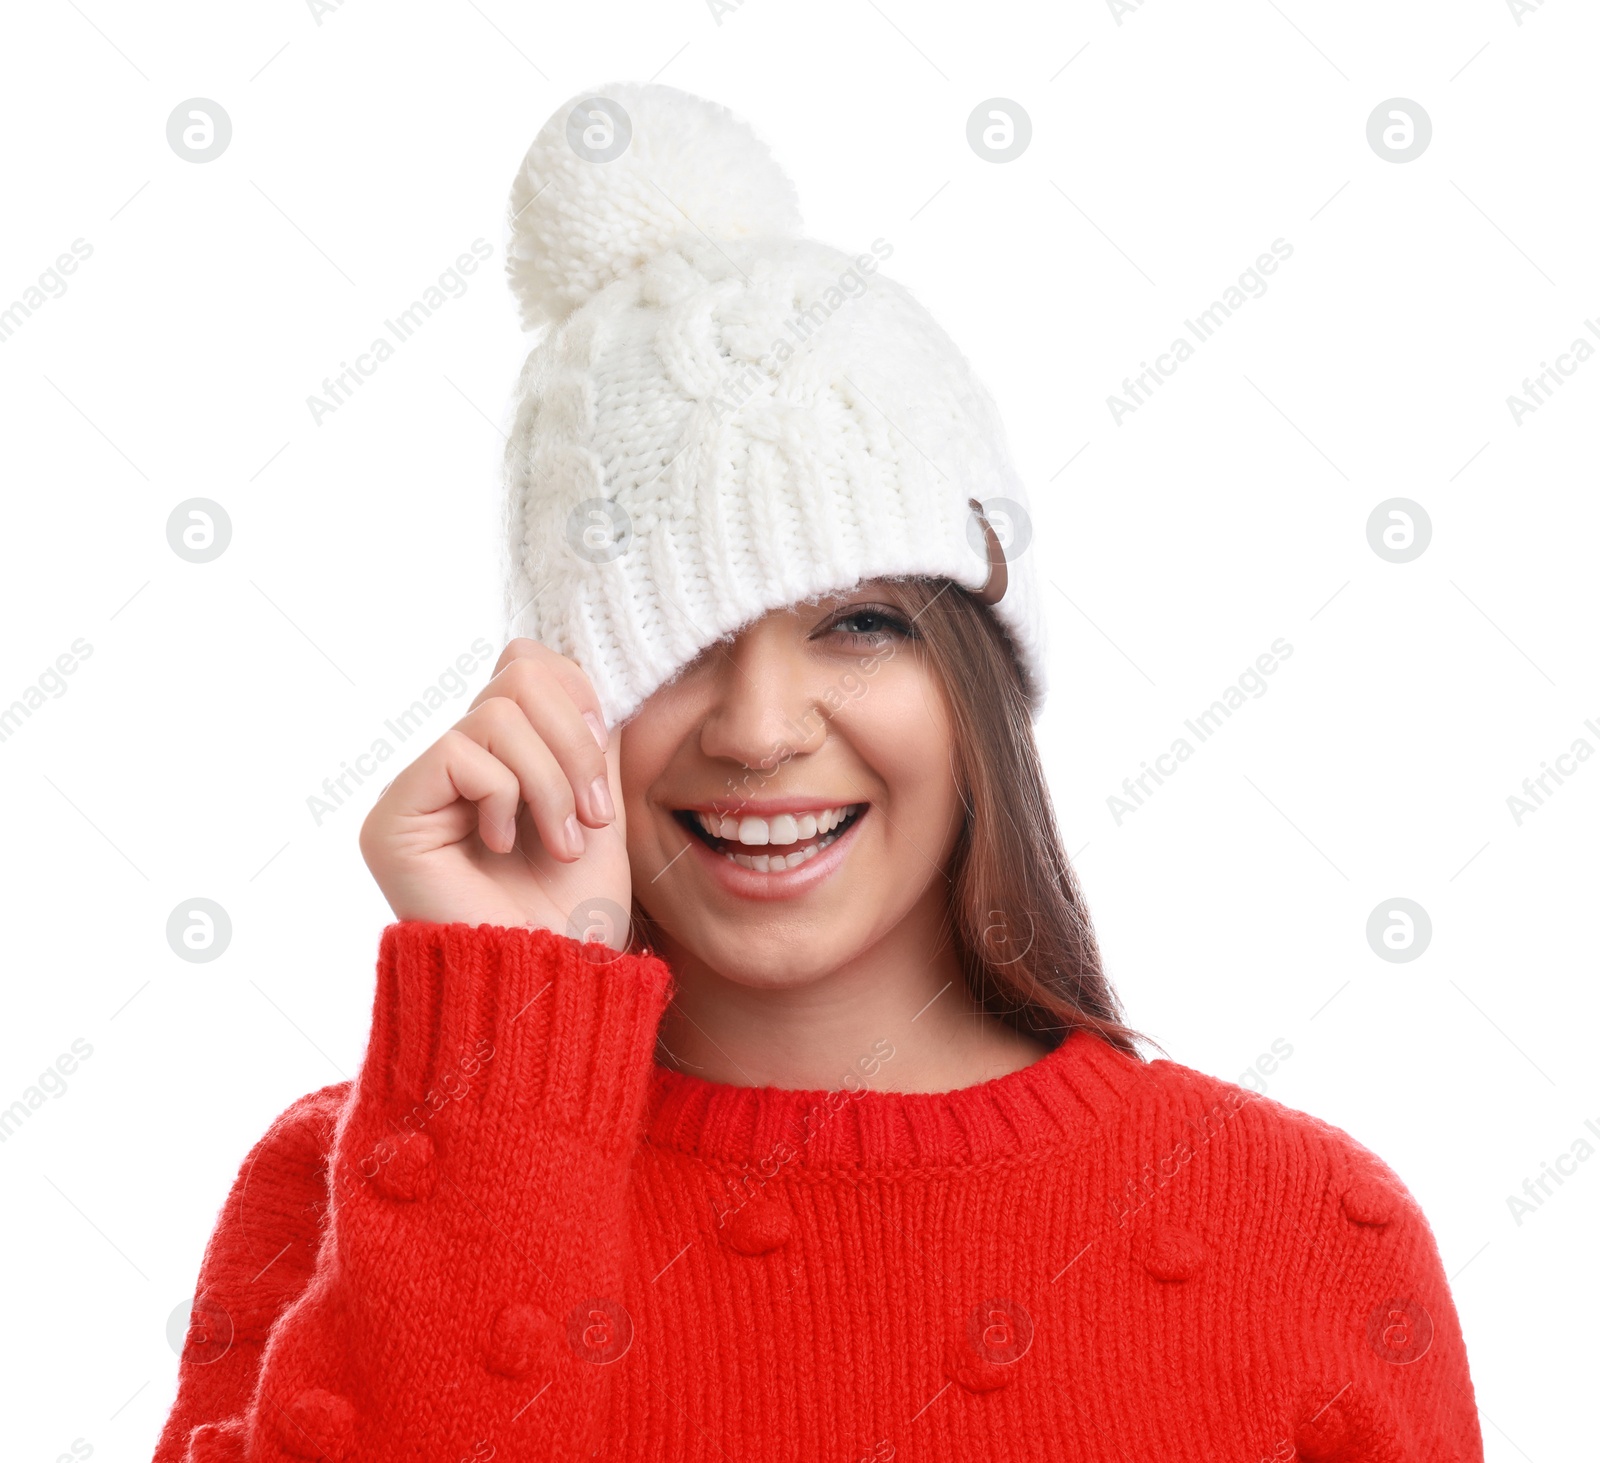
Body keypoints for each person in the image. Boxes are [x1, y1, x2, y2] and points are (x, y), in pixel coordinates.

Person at [153, 83, 1484, 1463]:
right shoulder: (354, 1189)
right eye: (670, 646)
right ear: (558, 701)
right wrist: (505, 1041)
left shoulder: (1309, 1233)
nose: (759, 726)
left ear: (979, 679)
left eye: (860, 622)